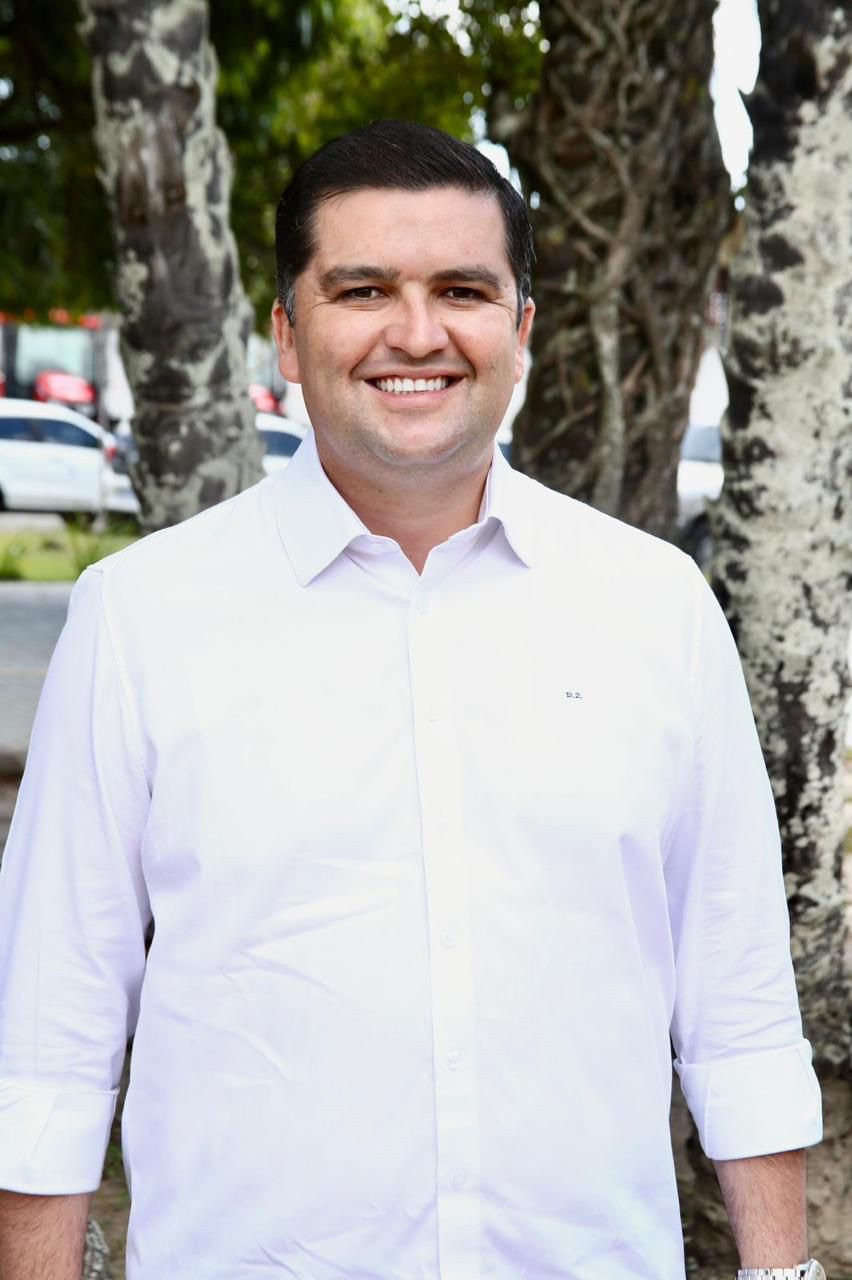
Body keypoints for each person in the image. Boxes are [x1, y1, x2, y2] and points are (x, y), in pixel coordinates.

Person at [0, 121, 823, 1280]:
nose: (418, 332)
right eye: (364, 289)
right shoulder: (138, 620)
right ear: (288, 334)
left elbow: (738, 1003)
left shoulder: (659, 609)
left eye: (462, 290)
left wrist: (783, 1271)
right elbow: (50, 1040)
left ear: (520, 329)